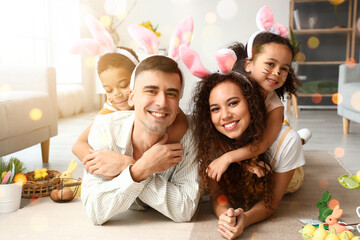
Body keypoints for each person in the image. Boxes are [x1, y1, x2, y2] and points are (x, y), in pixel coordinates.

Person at [81, 55, 200, 225]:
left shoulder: (189, 134)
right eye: (151, 91)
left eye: (171, 94)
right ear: (131, 97)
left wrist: (127, 166)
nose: (161, 102)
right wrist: (141, 169)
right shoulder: (104, 128)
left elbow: (185, 209)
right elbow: (94, 211)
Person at [192, 72, 305, 239]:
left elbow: (271, 203)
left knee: (295, 141)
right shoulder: (210, 140)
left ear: (251, 103)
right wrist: (227, 215)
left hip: (290, 168)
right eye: (215, 109)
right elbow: (217, 195)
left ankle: (303, 138)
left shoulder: (286, 142)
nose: (225, 115)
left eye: (233, 103)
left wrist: (246, 219)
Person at [206, 32, 311, 182]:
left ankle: (301, 139)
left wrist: (230, 158)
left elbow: (262, 144)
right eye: (270, 64)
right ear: (249, 64)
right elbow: (217, 132)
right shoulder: (231, 89)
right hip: (240, 142)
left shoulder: (275, 107)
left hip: (263, 136)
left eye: (284, 69)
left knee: (291, 148)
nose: (277, 72)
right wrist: (244, 163)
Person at [72, 47, 188, 178]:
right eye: (109, 90)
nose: (117, 94)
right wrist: (105, 167)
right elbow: (78, 145)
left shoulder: (156, 104)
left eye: (123, 85)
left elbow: (182, 122)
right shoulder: (108, 115)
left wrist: (160, 148)